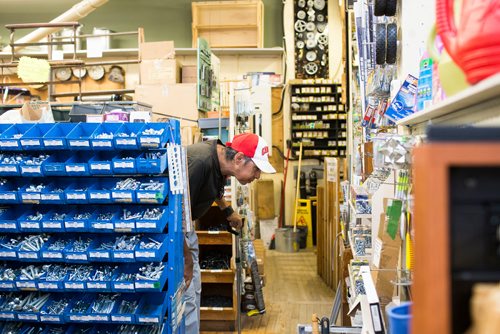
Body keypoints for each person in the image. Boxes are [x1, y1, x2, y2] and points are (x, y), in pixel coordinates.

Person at [184, 133, 276, 334]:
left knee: (193, 296)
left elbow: (214, 186)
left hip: (185, 233)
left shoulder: (219, 159)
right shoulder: (200, 162)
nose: (258, 176)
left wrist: (227, 210)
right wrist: (186, 260)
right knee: (187, 298)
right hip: (175, 236)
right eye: (257, 169)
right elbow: (177, 214)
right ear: (239, 158)